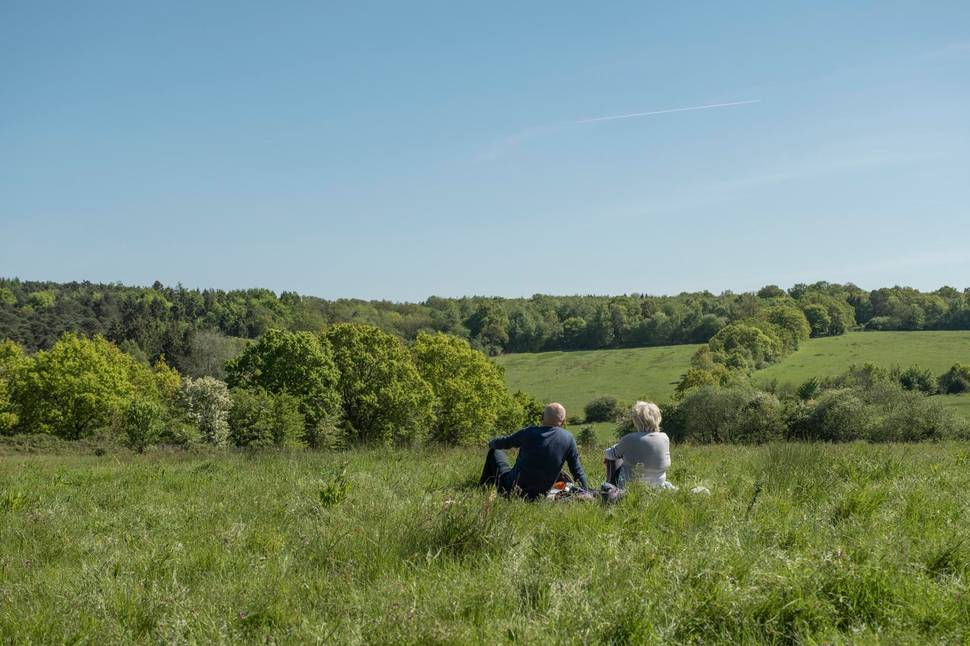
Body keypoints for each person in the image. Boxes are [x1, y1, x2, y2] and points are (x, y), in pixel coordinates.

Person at [479, 402, 590, 499]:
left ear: (542, 417)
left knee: (495, 451)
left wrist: (490, 442)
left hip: (511, 490)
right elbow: (577, 470)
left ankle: (482, 490)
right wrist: (586, 491)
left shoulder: (529, 432)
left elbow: (503, 443)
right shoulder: (569, 439)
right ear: (563, 421)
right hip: (540, 496)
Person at [604, 401, 676, 490]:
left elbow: (609, 454)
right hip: (658, 484)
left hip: (630, 486)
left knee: (614, 457)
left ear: (637, 420)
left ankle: (611, 487)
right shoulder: (664, 437)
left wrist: (617, 447)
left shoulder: (629, 438)